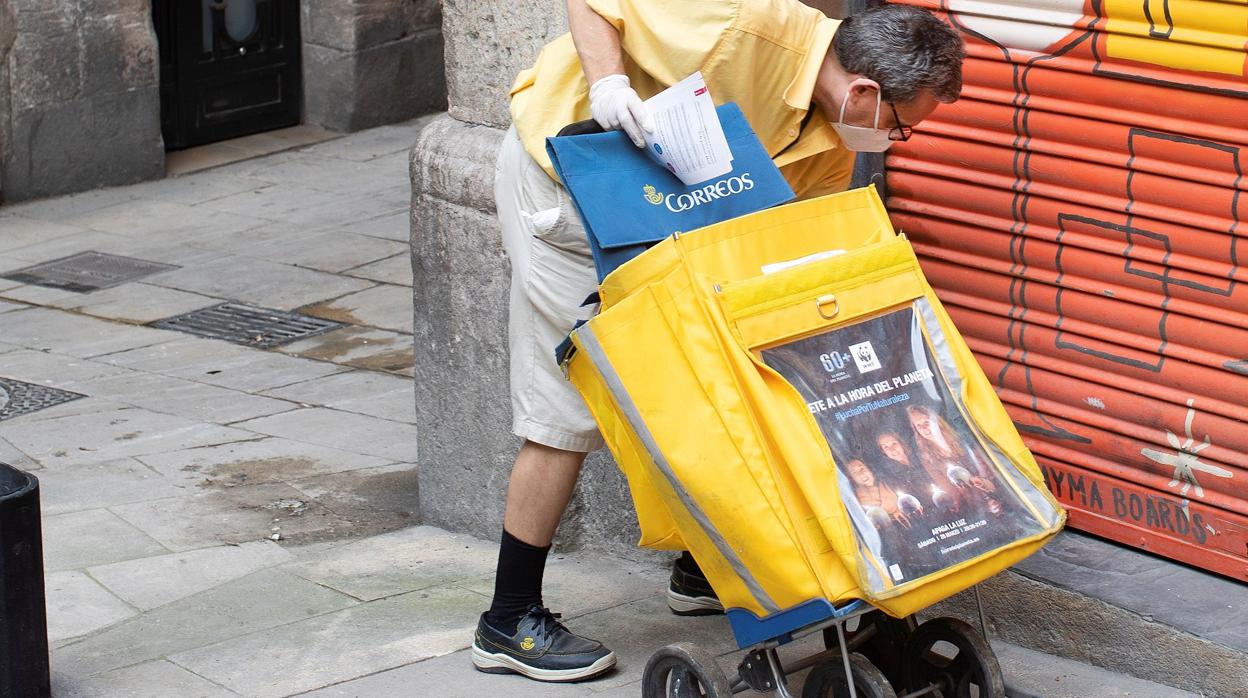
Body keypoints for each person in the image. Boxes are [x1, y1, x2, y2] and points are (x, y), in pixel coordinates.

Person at [474, 0, 966, 682]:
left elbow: (791, 238)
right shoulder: (742, 22)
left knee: (725, 379)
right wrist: (610, 82)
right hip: (572, 182)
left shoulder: (833, 130)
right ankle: (508, 617)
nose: (893, 142)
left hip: (678, 209)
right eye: (900, 128)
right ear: (863, 92)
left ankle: (698, 569)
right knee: (575, 402)